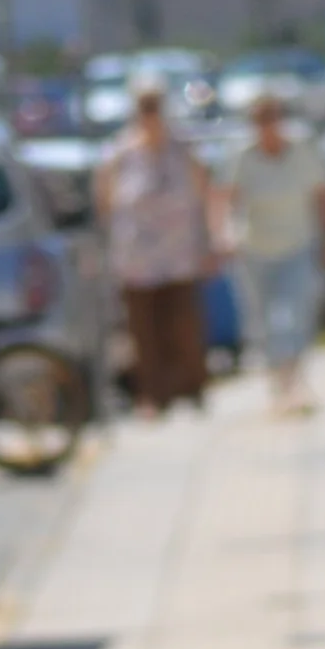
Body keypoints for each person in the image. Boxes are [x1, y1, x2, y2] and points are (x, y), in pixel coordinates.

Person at [99, 78, 218, 415]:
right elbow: (105, 202)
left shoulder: (182, 149)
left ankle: (191, 388)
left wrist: (209, 242)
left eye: (154, 106)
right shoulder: (121, 153)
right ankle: (151, 394)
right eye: (144, 107)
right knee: (143, 331)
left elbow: (204, 194)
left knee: (184, 324)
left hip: (179, 254)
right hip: (137, 258)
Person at [231, 85, 325, 414]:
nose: (267, 125)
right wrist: (224, 234)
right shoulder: (242, 157)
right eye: (260, 119)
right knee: (263, 321)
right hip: (256, 249)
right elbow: (226, 196)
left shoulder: (303, 150)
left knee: (295, 315)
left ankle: (296, 380)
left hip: (298, 244)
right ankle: (278, 383)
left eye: (272, 117)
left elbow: (323, 194)